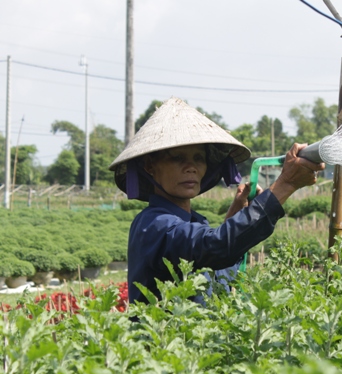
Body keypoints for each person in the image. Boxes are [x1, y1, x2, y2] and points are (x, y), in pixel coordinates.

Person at [109, 97, 324, 304]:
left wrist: (237, 213)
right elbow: (216, 247)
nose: (191, 167)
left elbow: (217, 274)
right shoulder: (154, 225)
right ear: (149, 166)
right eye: (177, 158)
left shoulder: (191, 222)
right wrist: (286, 184)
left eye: (198, 158)